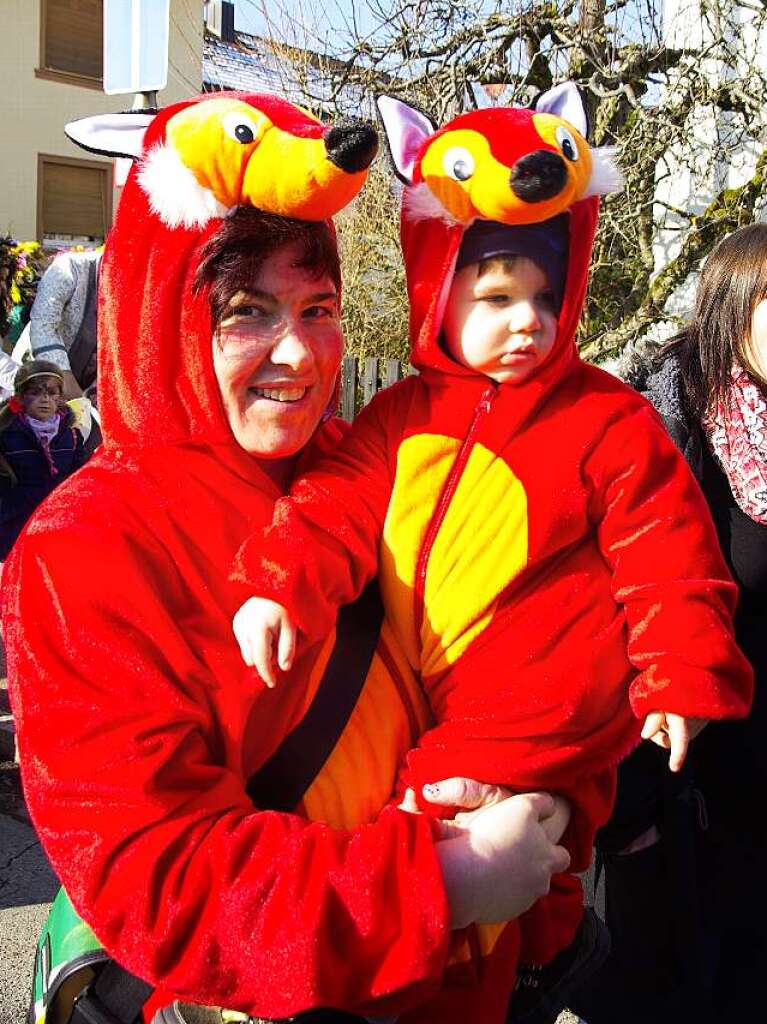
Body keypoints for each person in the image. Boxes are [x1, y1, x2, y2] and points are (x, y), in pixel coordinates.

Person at [4, 92, 572, 1024]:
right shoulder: (86, 546)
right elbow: (161, 876)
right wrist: (444, 884)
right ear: (161, 314)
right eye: (246, 311)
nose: (298, 353)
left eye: (318, 307)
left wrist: (541, 860)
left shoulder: (382, 471)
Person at [230, 99, 753, 1022]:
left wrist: (681, 673)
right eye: (497, 297)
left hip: (541, 687)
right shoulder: (399, 416)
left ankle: (493, 961)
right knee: (499, 845)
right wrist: (280, 584)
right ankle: (535, 950)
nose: (529, 322)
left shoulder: (605, 419)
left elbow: (671, 556)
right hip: (433, 683)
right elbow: (332, 507)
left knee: (451, 813)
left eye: (547, 299)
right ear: (438, 291)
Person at [571, 222, 767, 1024]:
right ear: (731, 308)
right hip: (678, 802)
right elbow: (620, 617)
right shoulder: (664, 426)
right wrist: (628, 816)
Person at [0, 359, 85, 561]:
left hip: (59, 529)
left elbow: (79, 482)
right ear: (20, 397)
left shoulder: (72, 436)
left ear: (60, 397)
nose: (44, 399)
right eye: (35, 392)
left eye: (51, 392)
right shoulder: (6, 437)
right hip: (16, 532)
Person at [28, 247, 101, 399]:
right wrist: (65, 380)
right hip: (40, 374)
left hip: (90, 392)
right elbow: (43, 326)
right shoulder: (69, 267)